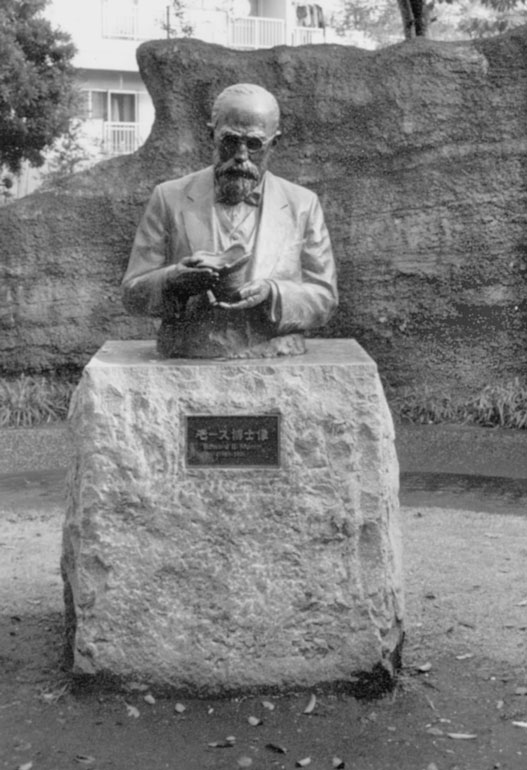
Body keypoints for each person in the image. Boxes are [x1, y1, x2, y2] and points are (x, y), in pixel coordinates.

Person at [122, 83, 338, 358]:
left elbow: (325, 298)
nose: (241, 155)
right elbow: (132, 295)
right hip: (189, 348)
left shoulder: (302, 204)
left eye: (254, 144)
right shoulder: (168, 198)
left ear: (274, 143)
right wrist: (173, 280)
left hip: (273, 347)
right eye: (230, 140)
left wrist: (272, 294)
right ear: (211, 135)